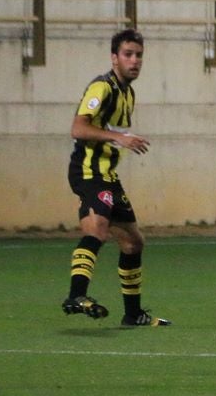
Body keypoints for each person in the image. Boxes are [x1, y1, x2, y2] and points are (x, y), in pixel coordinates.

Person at [61, 28, 168, 328]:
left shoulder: (127, 92)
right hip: (88, 171)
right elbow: (78, 128)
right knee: (97, 228)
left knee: (134, 243)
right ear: (114, 58)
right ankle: (76, 295)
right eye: (128, 55)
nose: (135, 61)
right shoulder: (102, 88)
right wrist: (118, 138)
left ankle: (133, 315)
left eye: (139, 55)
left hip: (108, 175)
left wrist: (118, 140)